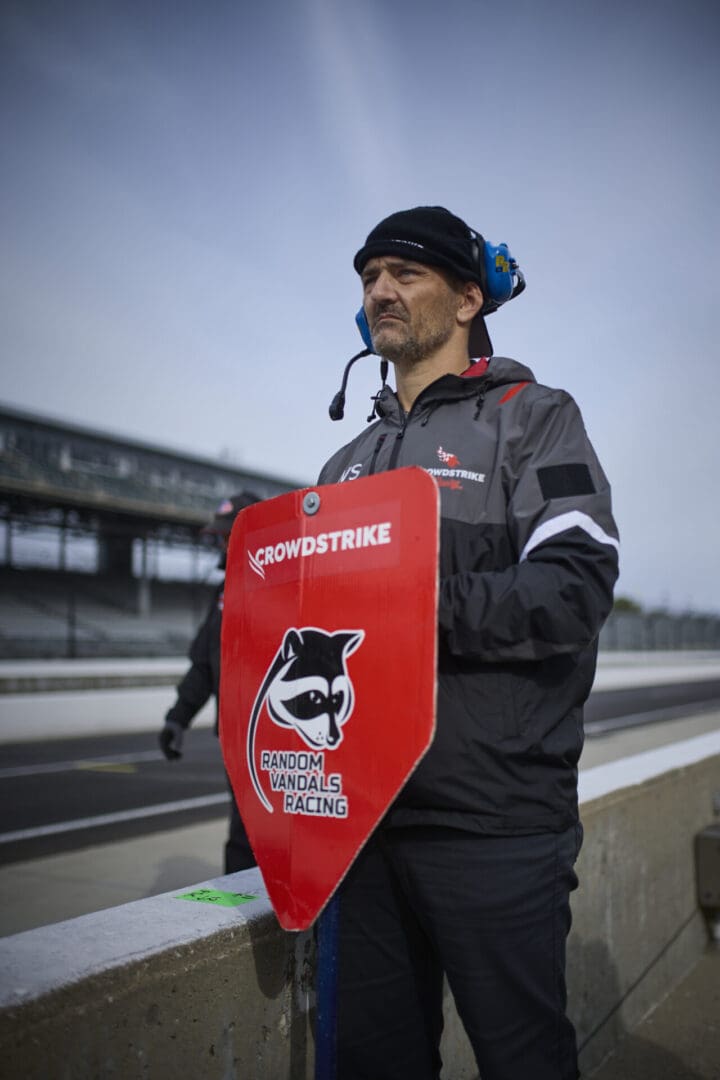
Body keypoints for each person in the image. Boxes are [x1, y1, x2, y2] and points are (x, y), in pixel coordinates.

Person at [317, 206, 620, 1080]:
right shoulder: (347, 463)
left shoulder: (535, 418)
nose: (381, 289)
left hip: (495, 822)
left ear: (465, 299)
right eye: (369, 275)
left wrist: (411, 611)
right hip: (361, 825)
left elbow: (575, 586)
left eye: (405, 274)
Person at [158, 491, 261, 873]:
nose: (220, 542)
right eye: (219, 536)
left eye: (227, 534)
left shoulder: (290, 577)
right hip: (237, 737)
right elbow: (204, 662)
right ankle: (244, 922)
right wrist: (177, 717)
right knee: (241, 839)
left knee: (273, 837)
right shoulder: (224, 591)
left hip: (282, 736)